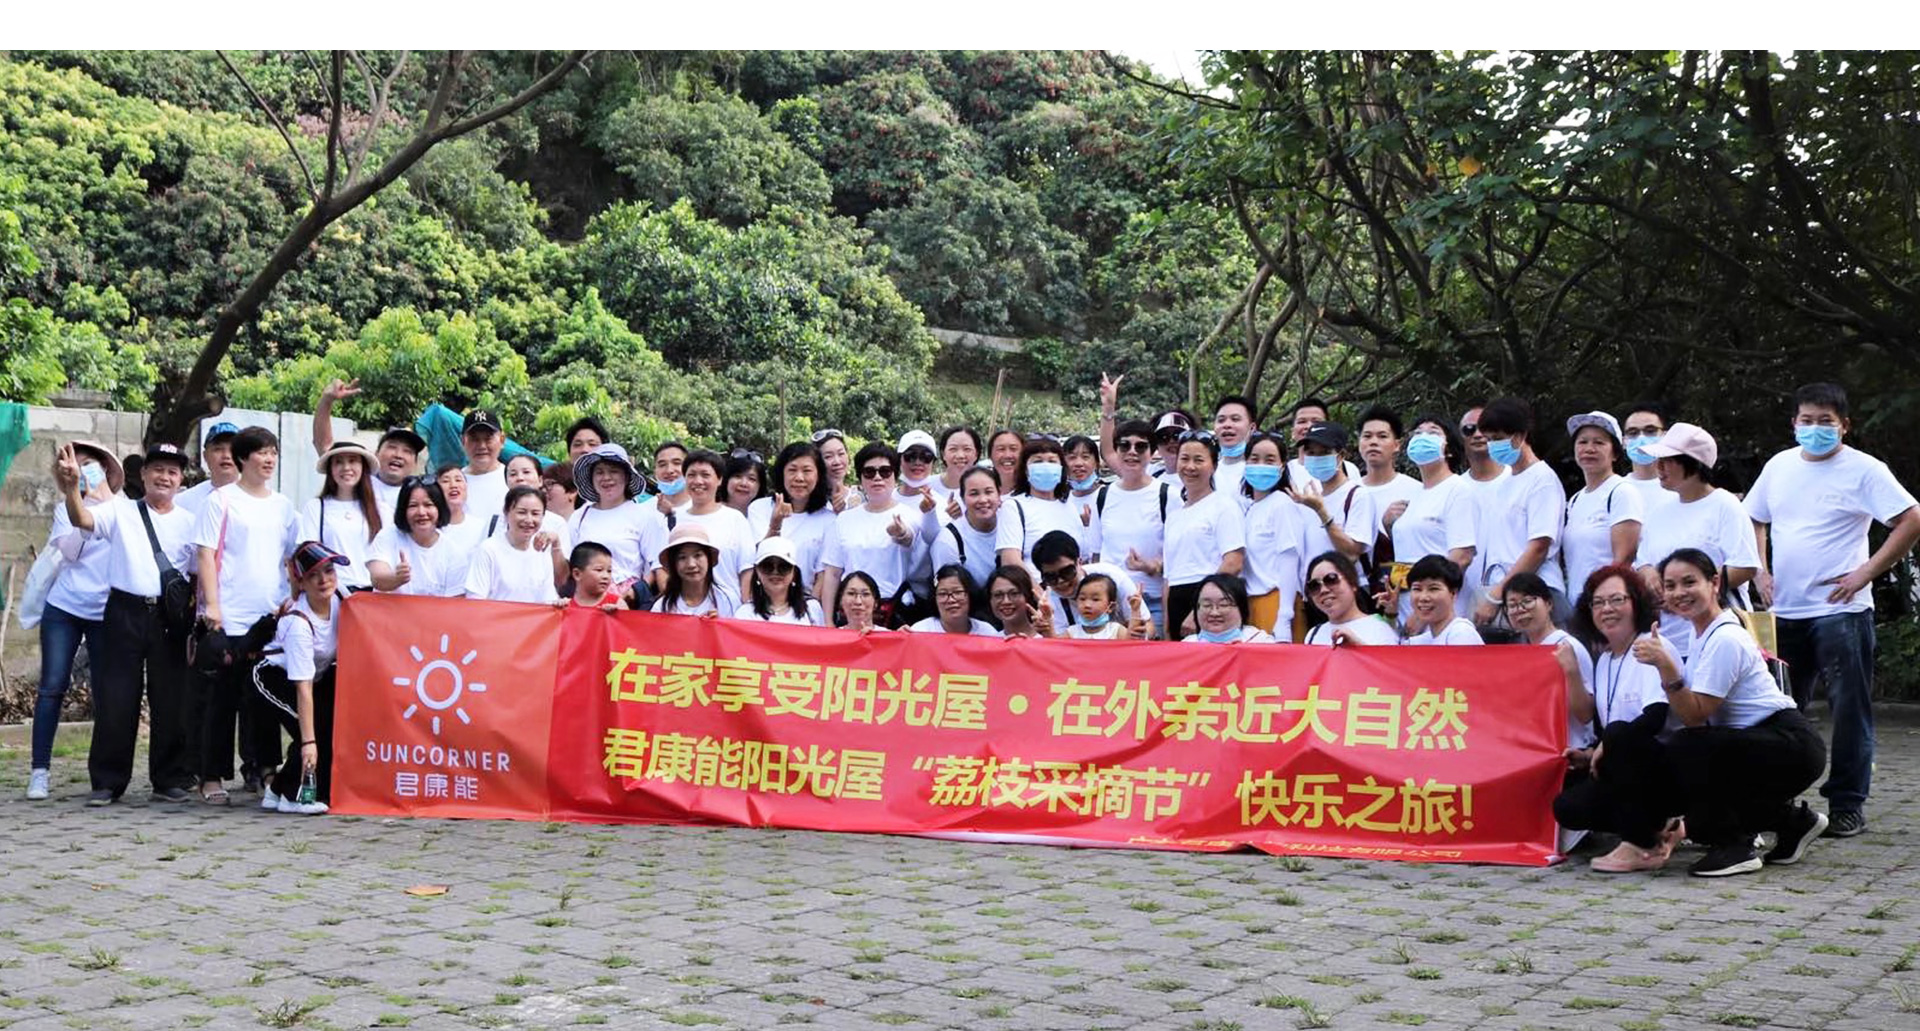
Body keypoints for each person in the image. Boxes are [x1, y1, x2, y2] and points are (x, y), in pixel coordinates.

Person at [1746, 382, 1920, 839]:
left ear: (1845, 425)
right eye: (1807, 420)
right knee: (1779, 709)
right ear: (1794, 423)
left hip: (1842, 612)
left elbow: (1911, 518)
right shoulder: (1779, 466)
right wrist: (1760, 571)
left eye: (1826, 421)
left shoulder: (1864, 470)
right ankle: (1776, 801)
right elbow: (1754, 517)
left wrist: (1866, 572)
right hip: (1785, 611)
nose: (1815, 428)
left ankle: (1846, 804)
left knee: (1849, 711)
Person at [1640, 549, 1829, 877]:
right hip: (1763, 740)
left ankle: (1735, 846)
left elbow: (1695, 716)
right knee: (1687, 754)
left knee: (1688, 748)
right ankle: (1795, 823)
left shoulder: (1725, 637)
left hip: (1789, 743)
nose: (1679, 593)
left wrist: (1666, 668)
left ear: (1714, 583)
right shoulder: (1701, 632)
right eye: (1670, 586)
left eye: (1689, 582)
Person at [50, 442, 194, 805]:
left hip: (168, 618)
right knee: (116, 697)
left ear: (181, 479)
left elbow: (198, 573)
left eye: (172, 471)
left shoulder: (190, 522)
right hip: (123, 610)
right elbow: (83, 520)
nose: (164, 477)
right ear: (143, 474)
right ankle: (107, 781)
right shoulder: (120, 510)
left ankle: (169, 778)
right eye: (157, 469)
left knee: (170, 697)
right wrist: (72, 488)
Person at [192, 426, 302, 805]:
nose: (269, 459)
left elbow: (292, 558)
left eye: (273, 452)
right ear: (242, 458)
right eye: (261, 452)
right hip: (231, 616)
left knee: (264, 699)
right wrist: (213, 606)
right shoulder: (221, 500)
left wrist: (292, 600)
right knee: (221, 700)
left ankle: (267, 769)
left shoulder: (283, 506)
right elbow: (205, 554)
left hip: (270, 617)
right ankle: (211, 776)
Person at [1554, 564, 1687, 873]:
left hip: (1669, 764)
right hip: (1626, 766)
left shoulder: (1651, 645)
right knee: (1567, 808)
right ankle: (1664, 826)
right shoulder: (1605, 661)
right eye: (1598, 602)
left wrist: (1607, 744)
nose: (1607, 609)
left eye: (1617, 600)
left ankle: (1642, 844)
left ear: (1636, 603)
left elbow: (1655, 718)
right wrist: (1590, 754)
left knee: (1617, 734)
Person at [25, 440, 120, 801]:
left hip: (104, 612)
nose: (82, 471)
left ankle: (104, 777)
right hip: (64, 608)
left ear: (105, 468)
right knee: (52, 686)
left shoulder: (125, 508)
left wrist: (105, 502)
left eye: (88, 464)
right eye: (74, 466)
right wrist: (79, 503)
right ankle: (39, 771)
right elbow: (70, 551)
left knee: (106, 692)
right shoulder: (65, 509)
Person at [1634, 422, 1760, 653]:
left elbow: (1745, 566)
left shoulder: (1725, 505)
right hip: (1668, 640)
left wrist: (1681, 592)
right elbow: (1642, 562)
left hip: (1717, 637)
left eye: (1667, 460)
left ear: (1693, 463)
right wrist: (1650, 575)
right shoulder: (1659, 512)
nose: (1658, 466)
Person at [252, 541, 348, 816]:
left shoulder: (340, 596)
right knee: (313, 732)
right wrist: (308, 743)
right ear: (301, 582)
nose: (324, 580)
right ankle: (293, 796)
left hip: (314, 676)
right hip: (273, 679)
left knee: (329, 724)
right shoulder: (298, 623)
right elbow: (303, 688)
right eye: (313, 575)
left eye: (329, 571)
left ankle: (277, 788)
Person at [1473, 398, 1568, 623]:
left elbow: (1539, 547)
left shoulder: (1542, 480)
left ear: (1520, 436)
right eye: (1489, 439)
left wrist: (1498, 594)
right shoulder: (1506, 482)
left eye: (1498, 438)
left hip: (1536, 592)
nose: (1492, 445)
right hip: (1508, 594)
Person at [818, 442, 927, 626]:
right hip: (851, 614)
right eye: (869, 472)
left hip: (893, 614)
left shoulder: (910, 515)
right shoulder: (843, 520)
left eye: (885, 471)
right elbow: (832, 574)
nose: (877, 478)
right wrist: (828, 621)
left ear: (895, 475)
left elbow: (909, 538)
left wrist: (900, 534)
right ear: (860, 478)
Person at [1087, 418, 1180, 632]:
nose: (1132, 452)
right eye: (1124, 445)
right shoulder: (1102, 496)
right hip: (1109, 605)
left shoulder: (1168, 495)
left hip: (1152, 601)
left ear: (1152, 452)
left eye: (1141, 446)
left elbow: (1180, 555)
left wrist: (1152, 566)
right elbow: (1096, 555)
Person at [1388, 416, 1478, 624]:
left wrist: (1423, 614)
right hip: (1406, 610)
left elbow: (1461, 556)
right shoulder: (1415, 494)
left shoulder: (1457, 490)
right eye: (1418, 433)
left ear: (1449, 449)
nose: (1423, 437)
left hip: (1438, 614)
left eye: (1433, 432)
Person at [1502, 570, 1596, 769]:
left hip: (1571, 754)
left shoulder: (1569, 647)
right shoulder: (1522, 654)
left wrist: (1571, 672)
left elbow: (1586, 714)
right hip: (1535, 754)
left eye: (1527, 601)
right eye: (1512, 605)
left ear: (1549, 604)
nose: (1520, 610)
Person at [1159, 430, 1246, 640]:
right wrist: (1167, 624)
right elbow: (1169, 576)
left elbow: (1233, 562)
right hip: (1177, 600)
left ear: (1213, 465)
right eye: (1184, 459)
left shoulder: (1224, 506)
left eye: (1199, 460)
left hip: (1211, 603)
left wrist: (1199, 610)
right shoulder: (1174, 516)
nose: (1190, 467)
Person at [1561, 412, 1645, 608]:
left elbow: (1623, 559)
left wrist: (1599, 600)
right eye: (1583, 442)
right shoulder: (1575, 500)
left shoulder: (1621, 492)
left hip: (1608, 605)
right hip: (1578, 605)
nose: (1589, 449)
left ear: (1615, 453)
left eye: (1599, 443)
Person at [570, 444, 667, 607]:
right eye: (599, 472)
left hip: (628, 605)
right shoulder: (580, 516)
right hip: (586, 604)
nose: (606, 478)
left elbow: (656, 564)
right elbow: (570, 561)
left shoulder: (644, 515)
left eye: (613, 471)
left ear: (626, 476)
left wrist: (634, 592)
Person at [311, 379, 425, 514]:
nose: (398, 455)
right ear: (376, 454)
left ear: (416, 463)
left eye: (407, 451)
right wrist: (326, 401)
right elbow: (324, 445)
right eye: (392, 447)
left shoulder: (422, 496)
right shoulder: (359, 482)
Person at [1239, 432, 1310, 637]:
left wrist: (1284, 617)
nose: (1261, 465)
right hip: (1251, 604)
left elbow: (1289, 557)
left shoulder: (1282, 504)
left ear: (1282, 466)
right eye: (1254, 459)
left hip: (1276, 602)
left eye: (1269, 460)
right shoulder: (1250, 509)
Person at [749, 442, 836, 598]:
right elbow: (758, 557)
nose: (799, 478)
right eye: (792, 470)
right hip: (764, 599)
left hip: (805, 601)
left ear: (818, 475)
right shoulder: (760, 508)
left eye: (807, 471)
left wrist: (811, 607)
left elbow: (822, 574)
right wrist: (775, 526)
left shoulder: (828, 519)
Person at [1290, 421, 1375, 566]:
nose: (1317, 458)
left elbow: (1351, 554)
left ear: (1341, 455)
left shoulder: (1358, 496)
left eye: (1324, 452)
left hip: (1345, 579)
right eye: (1311, 453)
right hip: (1312, 580)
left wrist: (1321, 512)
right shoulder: (1310, 499)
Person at [1030, 530, 1144, 636]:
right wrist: (1047, 630)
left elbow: (1147, 627)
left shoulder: (1112, 576)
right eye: (1050, 577)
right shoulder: (1050, 602)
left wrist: (1135, 623)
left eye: (1066, 572)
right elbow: (1059, 645)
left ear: (1079, 562)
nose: (1060, 581)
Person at [366, 478, 466, 597]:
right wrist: (396, 578)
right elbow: (377, 578)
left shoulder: (453, 553)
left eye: (428, 505)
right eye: (413, 505)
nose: (421, 512)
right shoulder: (388, 536)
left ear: (439, 508)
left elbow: (456, 602)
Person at [674, 450, 756, 595]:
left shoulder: (735, 519)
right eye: (691, 475)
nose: (698, 481)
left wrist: (745, 606)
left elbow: (746, 570)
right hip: (684, 605)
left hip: (728, 605)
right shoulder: (674, 518)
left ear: (719, 480)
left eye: (705, 475)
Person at [303, 441, 381, 593]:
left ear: (363, 467)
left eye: (353, 461)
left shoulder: (381, 509)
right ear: (331, 469)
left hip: (373, 597)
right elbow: (308, 555)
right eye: (338, 462)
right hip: (332, 595)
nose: (346, 467)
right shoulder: (316, 507)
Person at [465, 486, 566, 603]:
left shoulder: (542, 550)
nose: (528, 520)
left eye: (535, 514)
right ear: (506, 512)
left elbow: (547, 600)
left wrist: (558, 603)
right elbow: (475, 600)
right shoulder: (488, 549)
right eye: (522, 512)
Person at [1455, 403, 1510, 611]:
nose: (1478, 434)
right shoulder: (1455, 488)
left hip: (1513, 594)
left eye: (1485, 428)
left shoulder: (1517, 480)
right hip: (1462, 596)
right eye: (1469, 429)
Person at [997, 437, 1079, 564]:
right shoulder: (1013, 507)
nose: (1046, 466)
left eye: (1052, 461)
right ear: (1026, 470)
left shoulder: (1070, 506)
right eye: (1038, 461)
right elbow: (1010, 560)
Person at [1355, 406, 1423, 550]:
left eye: (1382, 436)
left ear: (1397, 445)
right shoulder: (1349, 492)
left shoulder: (1416, 490)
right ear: (1359, 443)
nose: (1373, 442)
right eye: (1367, 436)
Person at [929, 467, 1006, 592]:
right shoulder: (948, 540)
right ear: (962, 498)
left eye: (988, 492)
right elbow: (947, 593)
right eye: (974, 494)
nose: (983, 500)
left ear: (999, 494)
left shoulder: (1012, 523)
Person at [1302, 552, 1400, 646]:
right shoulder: (1313, 634)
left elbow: (1386, 658)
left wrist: (1358, 647)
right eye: (1314, 585)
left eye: (1331, 579)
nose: (1323, 590)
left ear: (1352, 583)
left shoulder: (1380, 629)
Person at [735, 536, 826, 626]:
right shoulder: (744, 614)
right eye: (767, 566)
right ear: (757, 572)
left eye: (784, 566)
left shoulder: (811, 609)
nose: (775, 572)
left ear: (794, 572)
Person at [652, 524, 738, 617]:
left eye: (698, 555)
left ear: (708, 558)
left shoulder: (727, 601)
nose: (691, 564)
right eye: (682, 557)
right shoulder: (661, 607)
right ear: (674, 563)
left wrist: (719, 623)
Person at [1398, 556, 1483, 645]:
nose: (1423, 597)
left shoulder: (1461, 633)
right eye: (1417, 589)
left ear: (1453, 593)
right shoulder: (1422, 641)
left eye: (1433, 589)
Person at [503, 452, 570, 562]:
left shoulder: (556, 523)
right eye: (513, 474)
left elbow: (563, 571)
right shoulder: (495, 519)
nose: (520, 478)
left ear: (540, 480)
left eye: (526, 472)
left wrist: (556, 545)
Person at [1183, 573, 1277, 645]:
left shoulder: (1261, 643)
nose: (1214, 613)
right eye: (1207, 605)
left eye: (1223, 605)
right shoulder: (1187, 646)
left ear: (1241, 608)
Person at [908, 564, 1000, 636]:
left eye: (957, 592)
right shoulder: (920, 631)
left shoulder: (987, 633)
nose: (951, 600)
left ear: (970, 594)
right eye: (943, 594)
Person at [1285, 397, 1359, 484]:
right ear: (1292, 431)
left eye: (1316, 422)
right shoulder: (1285, 473)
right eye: (1302, 421)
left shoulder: (1349, 469)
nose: (1309, 426)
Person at [176, 421, 240, 518]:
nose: (226, 456)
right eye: (218, 449)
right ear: (205, 456)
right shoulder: (184, 501)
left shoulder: (258, 499)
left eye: (233, 449)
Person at [459, 409, 510, 523]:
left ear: (502, 440)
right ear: (463, 441)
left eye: (488, 439)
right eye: (474, 439)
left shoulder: (513, 480)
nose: (482, 446)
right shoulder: (453, 484)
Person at [1618, 401, 1671, 508]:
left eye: (1650, 431)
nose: (1641, 438)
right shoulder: (1614, 490)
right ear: (1624, 442)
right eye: (1633, 433)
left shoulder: (1680, 489)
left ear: (1665, 436)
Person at [1062, 573, 1141, 640]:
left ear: (1110, 607)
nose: (1087, 605)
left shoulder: (1116, 630)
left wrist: (1135, 610)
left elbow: (1133, 642)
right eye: (1082, 599)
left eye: (1095, 599)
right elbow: (1056, 647)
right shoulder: (1071, 633)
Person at [1061, 434, 1104, 554]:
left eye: (1085, 457)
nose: (1078, 463)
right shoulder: (1062, 499)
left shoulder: (1107, 496)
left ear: (1096, 463)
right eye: (1072, 458)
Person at [985, 565, 1054, 638]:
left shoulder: (1048, 636)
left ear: (1027, 596)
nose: (1006, 601)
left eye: (1014, 593)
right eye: (998, 595)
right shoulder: (989, 641)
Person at [1211, 395, 1256, 496]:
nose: (1227, 425)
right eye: (1221, 420)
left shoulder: (1260, 471)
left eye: (1235, 419)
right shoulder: (1206, 471)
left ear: (1252, 428)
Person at [567, 542, 628, 611]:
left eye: (609, 571)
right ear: (577, 574)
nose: (606, 576)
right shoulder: (566, 606)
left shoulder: (618, 604)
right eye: (599, 570)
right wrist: (558, 609)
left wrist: (618, 614)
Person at [810, 429, 853, 513]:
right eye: (828, 456)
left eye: (841, 454)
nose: (837, 462)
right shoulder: (806, 501)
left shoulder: (862, 498)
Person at [894, 431, 943, 505]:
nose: (918, 462)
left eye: (926, 456)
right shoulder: (884, 500)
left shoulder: (941, 506)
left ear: (933, 463)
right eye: (911, 455)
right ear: (899, 459)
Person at [1148, 411, 1195, 485]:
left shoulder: (1205, 477)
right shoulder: (1150, 472)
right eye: (1163, 437)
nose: (1171, 441)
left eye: (1178, 435)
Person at [936, 426, 982, 501]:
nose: (960, 455)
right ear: (943, 454)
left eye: (967, 449)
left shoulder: (987, 489)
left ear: (976, 454)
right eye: (953, 449)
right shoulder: (927, 486)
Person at [720, 448, 770, 517]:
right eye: (737, 476)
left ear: (760, 485)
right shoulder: (710, 511)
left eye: (751, 479)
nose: (743, 483)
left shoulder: (766, 516)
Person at [653, 440, 691, 515]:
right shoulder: (643, 511)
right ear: (655, 471)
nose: (669, 470)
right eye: (662, 465)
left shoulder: (706, 509)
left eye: (677, 463)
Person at [985, 429, 1025, 496]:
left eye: (1013, 449)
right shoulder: (983, 491)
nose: (1007, 455)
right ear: (990, 455)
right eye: (1001, 449)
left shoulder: (1034, 492)